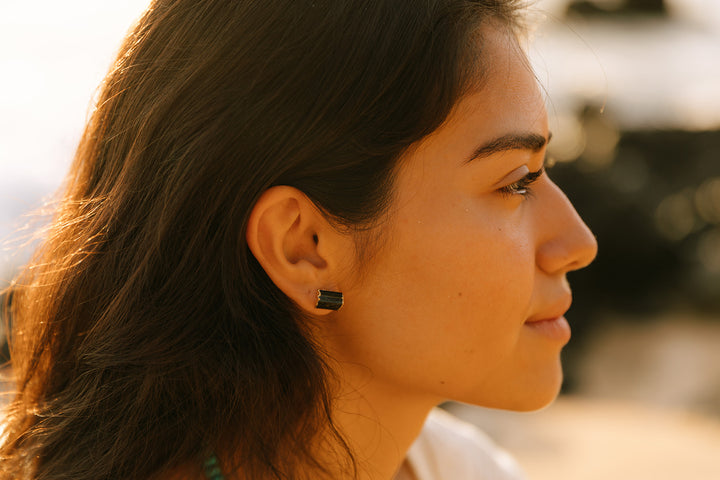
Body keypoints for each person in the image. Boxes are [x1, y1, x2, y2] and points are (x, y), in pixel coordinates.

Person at [0, 0, 598, 479]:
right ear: (304, 247)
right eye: (516, 182)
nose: (578, 241)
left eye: (544, 171)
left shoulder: (461, 467)